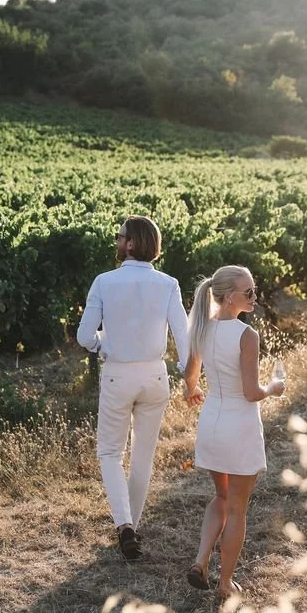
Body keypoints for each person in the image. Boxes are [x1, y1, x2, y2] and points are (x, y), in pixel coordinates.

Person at [77, 215, 190, 561]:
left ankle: (125, 525)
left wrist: (103, 344)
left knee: (110, 453)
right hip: (156, 376)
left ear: (130, 243)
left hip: (118, 374)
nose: (116, 240)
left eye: (119, 236)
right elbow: (183, 336)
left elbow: (84, 337)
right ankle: (131, 529)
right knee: (143, 455)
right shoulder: (168, 284)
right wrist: (188, 375)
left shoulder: (104, 282)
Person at [181, 265, 285, 598]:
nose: (255, 297)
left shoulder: (202, 329)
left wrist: (191, 390)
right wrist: (275, 387)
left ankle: (200, 561)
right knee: (237, 507)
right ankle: (225, 584)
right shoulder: (246, 335)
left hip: (212, 423)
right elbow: (252, 392)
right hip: (239, 427)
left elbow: (189, 373)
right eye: (249, 292)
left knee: (222, 497)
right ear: (228, 297)